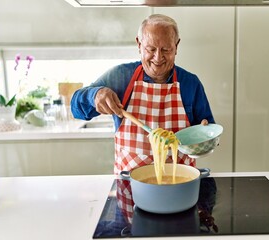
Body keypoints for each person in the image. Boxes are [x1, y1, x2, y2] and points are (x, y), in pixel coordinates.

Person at [71, 14, 215, 174]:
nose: (158, 57)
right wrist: (94, 95)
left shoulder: (190, 83)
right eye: (151, 49)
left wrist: (204, 136)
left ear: (176, 46)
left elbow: (207, 131)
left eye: (166, 49)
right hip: (130, 188)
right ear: (139, 45)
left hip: (180, 183)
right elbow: (76, 109)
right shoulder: (120, 76)